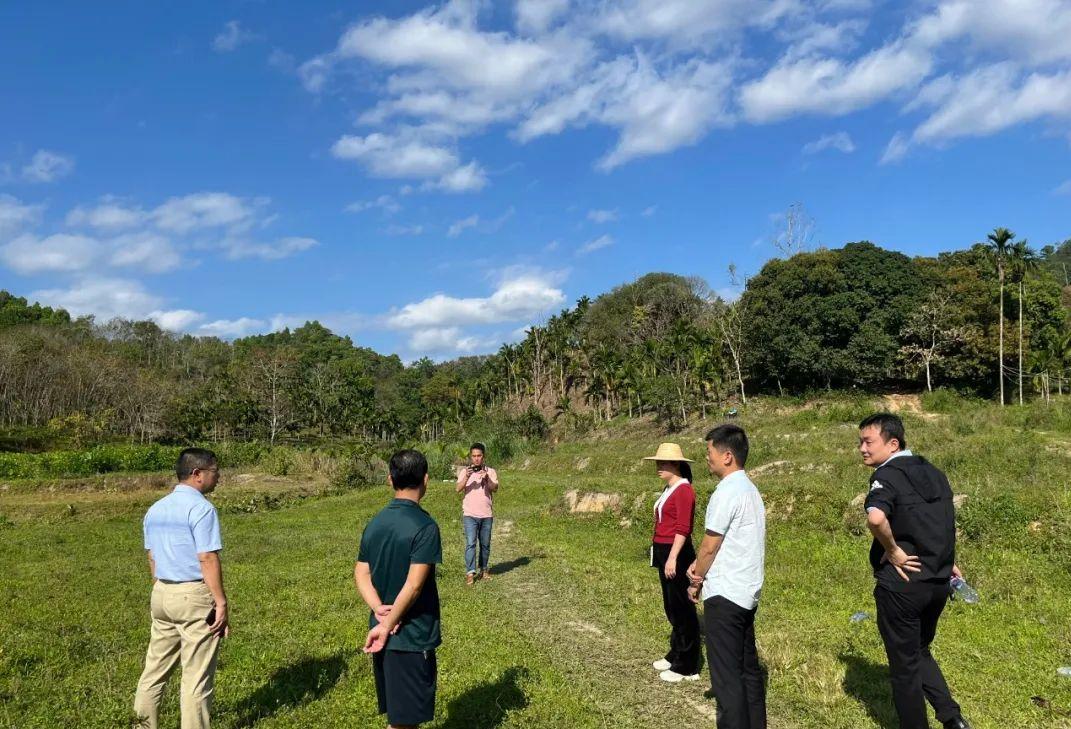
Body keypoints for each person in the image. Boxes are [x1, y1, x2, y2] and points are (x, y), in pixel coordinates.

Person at [858, 413, 971, 729]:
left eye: (868, 441)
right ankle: (953, 719)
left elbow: (876, 518)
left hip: (903, 584)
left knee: (904, 668)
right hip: (937, 581)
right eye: (860, 442)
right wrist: (947, 560)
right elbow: (943, 519)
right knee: (919, 651)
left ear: (892, 444)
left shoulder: (887, 475)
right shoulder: (933, 471)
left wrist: (893, 551)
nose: (862, 448)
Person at [134, 448, 229, 729]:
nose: (219, 477)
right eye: (215, 471)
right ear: (197, 474)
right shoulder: (201, 508)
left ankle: (141, 726)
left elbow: (151, 555)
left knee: (153, 672)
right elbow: (207, 557)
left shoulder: (156, 508)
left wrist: (160, 587)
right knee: (196, 678)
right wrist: (220, 602)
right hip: (193, 595)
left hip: (162, 592)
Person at [687, 424, 766, 729]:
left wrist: (696, 579)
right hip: (745, 592)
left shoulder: (727, 491)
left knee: (726, 678)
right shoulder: (750, 489)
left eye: (709, 452)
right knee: (748, 671)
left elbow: (709, 546)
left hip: (725, 594)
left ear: (727, 456)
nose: (706, 458)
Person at [357, 449, 442, 729]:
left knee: (401, 717)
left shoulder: (375, 523)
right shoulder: (425, 527)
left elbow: (362, 572)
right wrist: (389, 623)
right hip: (409, 637)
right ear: (426, 480)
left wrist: (377, 609)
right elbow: (415, 585)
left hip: (382, 632)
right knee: (404, 723)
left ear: (389, 480)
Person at [642, 442, 702, 683]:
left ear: (676, 465)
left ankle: (687, 665)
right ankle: (676, 652)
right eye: (658, 462)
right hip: (663, 549)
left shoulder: (684, 490)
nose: (659, 467)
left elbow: (683, 528)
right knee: (671, 606)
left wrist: (673, 558)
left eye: (663, 463)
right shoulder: (670, 489)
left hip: (675, 552)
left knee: (682, 608)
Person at [455, 442, 499, 585]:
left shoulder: (490, 471)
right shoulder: (464, 472)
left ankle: (484, 570)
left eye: (479, 456)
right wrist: (467, 477)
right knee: (470, 543)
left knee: (485, 544)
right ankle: (470, 573)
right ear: (470, 457)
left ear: (483, 457)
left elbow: (495, 488)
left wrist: (486, 478)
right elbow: (457, 489)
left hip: (486, 514)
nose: (476, 459)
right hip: (470, 514)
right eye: (473, 456)